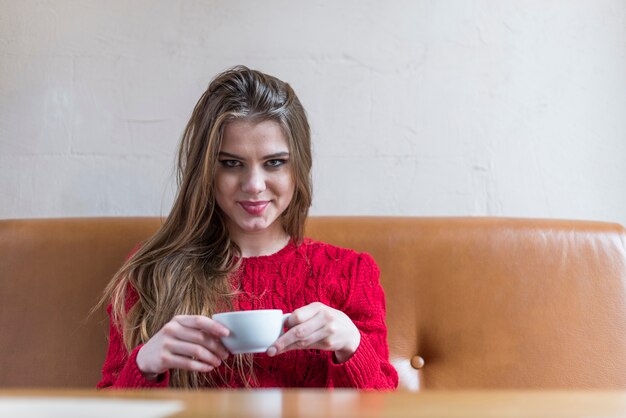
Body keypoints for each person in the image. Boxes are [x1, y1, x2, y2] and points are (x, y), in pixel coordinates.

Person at [97, 65, 399, 389]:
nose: (254, 185)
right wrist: (145, 364)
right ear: (206, 171)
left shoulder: (351, 273)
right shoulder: (151, 272)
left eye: (274, 162)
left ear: (299, 168)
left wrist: (351, 347)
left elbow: (385, 408)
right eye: (231, 164)